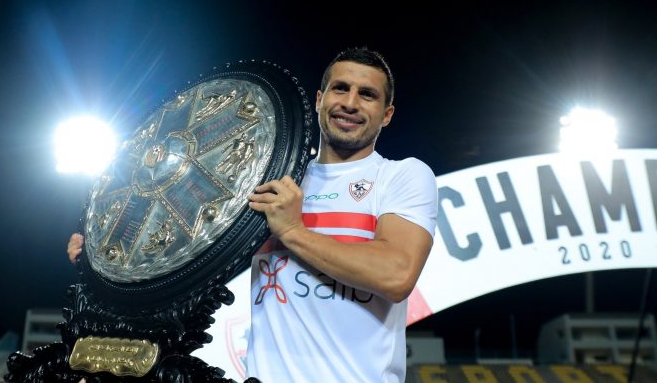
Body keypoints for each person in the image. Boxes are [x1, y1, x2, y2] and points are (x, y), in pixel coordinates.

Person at [68, 47, 437, 383]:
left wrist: (293, 231)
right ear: (319, 99)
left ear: (387, 114)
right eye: (340, 89)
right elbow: (181, 233)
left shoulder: (401, 175)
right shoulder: (267, 176)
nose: (350, 103)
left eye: (367, 94)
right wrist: (108, 256)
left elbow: (396, 274)